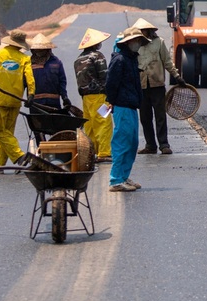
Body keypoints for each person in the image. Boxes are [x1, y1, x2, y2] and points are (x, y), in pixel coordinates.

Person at [0, 30, 36, 172]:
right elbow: (30, 78)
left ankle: (19, 156)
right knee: (7, 133)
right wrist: (31, 94)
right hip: (15, 100)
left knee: (0, 132)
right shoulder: (24, 58)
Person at [131, 17, 184, 155]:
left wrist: (177, 76)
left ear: (148, 31)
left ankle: (164, 144)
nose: (141, 33)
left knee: (160, 116)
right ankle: (150, 145)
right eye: (139, 31)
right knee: (145, 117)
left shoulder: (159, 43)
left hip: (157, 85)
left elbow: (167, 62)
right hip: (141, 86)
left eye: (143, 31)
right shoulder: (135, 46)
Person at [105, 27, 148, 192]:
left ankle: (123, 176)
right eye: (137, 41)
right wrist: (112, 101)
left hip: (131, 105)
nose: (138, 44)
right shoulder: (120, 60)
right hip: (122, 106)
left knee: (132, 143)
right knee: (122, 142)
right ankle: (116, 179)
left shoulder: (131, 59)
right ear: (129, 42)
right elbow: (111, 84)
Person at [74, 27, 113, 162]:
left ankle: (92, 153)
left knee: (89, 125)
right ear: (95, 44)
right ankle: (104, 153)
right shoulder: (98, 56)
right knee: (103, 123)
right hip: (99, 96)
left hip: (85, 98)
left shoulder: (78, 59)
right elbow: (105, 76)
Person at [27, 32, 71, 113]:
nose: (38, 51)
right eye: (36, 49)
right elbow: (23, 82)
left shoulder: (56, 62)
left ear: (47, 49)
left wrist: (65, 97)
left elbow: (62, 82)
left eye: (41, 49)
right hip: (36, 103)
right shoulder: (28, 63)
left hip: (53, 103)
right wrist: (28, 97)